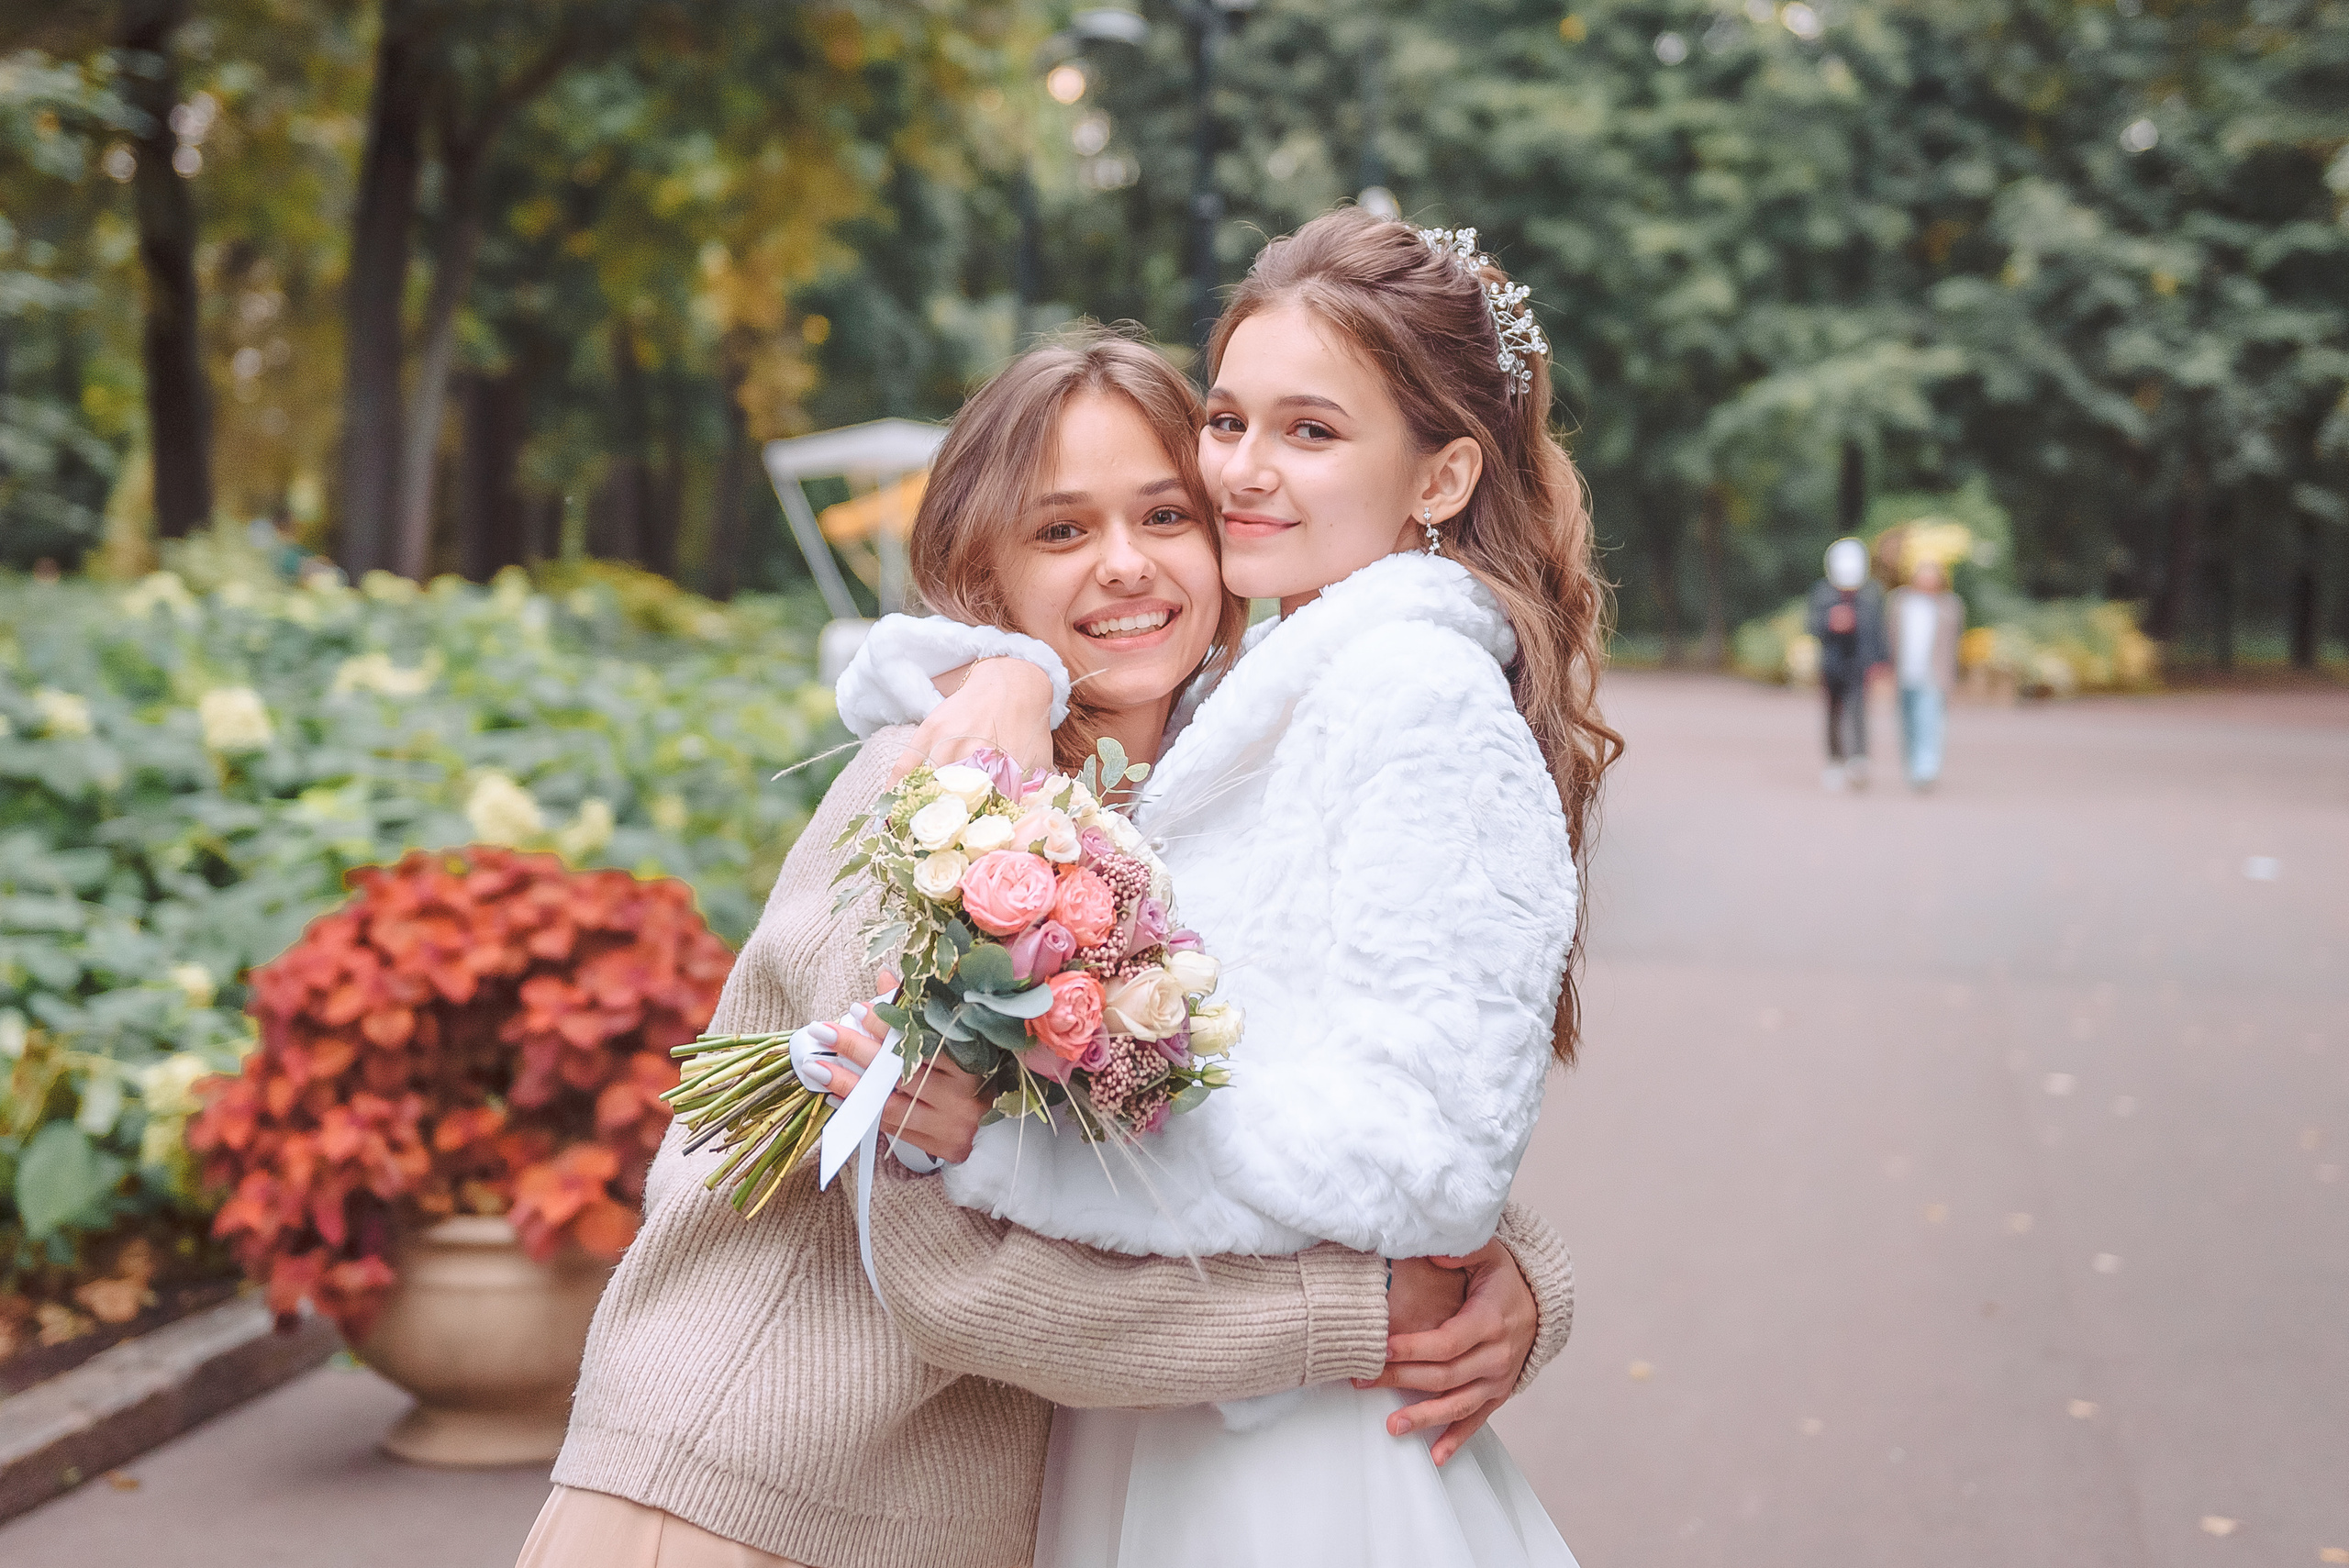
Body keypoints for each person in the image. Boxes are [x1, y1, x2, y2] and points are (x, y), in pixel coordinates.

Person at [520, 332, 1577, 1568]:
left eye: (1165, 513)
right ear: (988, 571)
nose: (1124, 566)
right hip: (738, 1499)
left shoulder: (1190, 802)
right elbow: (949, 1273)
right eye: (1062, 531)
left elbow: (1317, 1100)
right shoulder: (935, 798)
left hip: (938, 1521)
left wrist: (1515, 1272)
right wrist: (1351, 1312)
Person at [832, 210, 1618, 1565]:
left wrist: (1008, 1144)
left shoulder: (1417, 698)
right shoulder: (1261, 696)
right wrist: (1007, 668)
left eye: (1311, 432)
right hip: (1180, 1407)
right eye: (1231, 421)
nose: (1245, 472)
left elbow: (1414, 1162)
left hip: (1291, 1462)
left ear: (1438, 479)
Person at [1805, 537, 1887, 790]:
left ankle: (1859, 759)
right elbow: (1811, 626)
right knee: (1832, 714)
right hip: (1832, 664)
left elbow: (1877, 630)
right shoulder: (1822, 593)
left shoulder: (1871, 594)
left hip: (1859, 664)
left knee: (1859, 712)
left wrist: (1881, 661)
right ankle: (1835, 761)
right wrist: (1831, 623)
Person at [1887, 557, 1962, 790]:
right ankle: (1913, 766)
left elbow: (1953, 643)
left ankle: (1926, 767)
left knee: (1928, 720)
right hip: (1905, 671)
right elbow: (1889, 635)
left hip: (1933, 674)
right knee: (1908, 722)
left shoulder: (1950, 605)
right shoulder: (1900, 602)